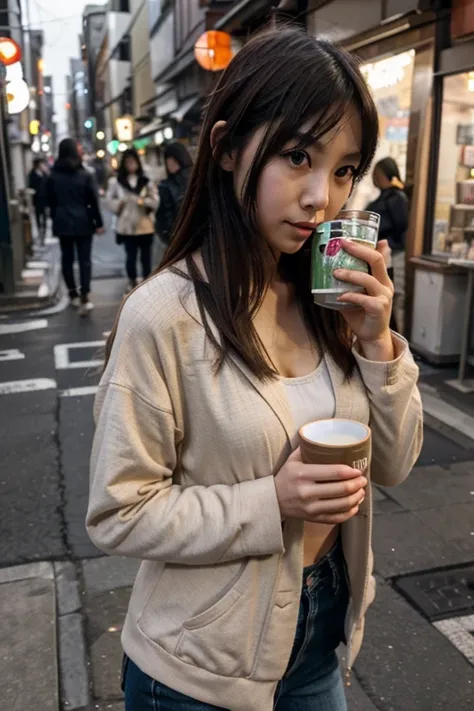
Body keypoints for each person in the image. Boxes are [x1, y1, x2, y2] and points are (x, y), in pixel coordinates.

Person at [87, 27, 423, 711]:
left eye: (343, 169)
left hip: (321, 640)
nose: (321, 199)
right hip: (194, 668)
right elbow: (119, 511)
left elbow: (390, 465)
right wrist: (272, 501)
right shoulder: (164, 316)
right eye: (298, 156)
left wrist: (379, 342)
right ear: (226, 149)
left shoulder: (331, 301)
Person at [45, 138, 104, 316]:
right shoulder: (85, 175)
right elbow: (93, 201)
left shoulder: (53, 176)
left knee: (67, 259)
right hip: (84, 222)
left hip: (62, 222)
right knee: (85, 259)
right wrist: (98, 223)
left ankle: (72, 293)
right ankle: (85, 294)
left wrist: (55, 217)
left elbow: (49, 201)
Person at [366, 157, 409, 333]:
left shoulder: (397, 197)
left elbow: (401, 225)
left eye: (377, 174)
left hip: (393, 253)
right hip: (379, 253)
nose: (374, 178)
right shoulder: (381, 198)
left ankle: (395, 338)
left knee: (394, 296)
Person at [106, 149, 159, 293]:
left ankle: (147, 281)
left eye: (133, 162)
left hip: (145, 224)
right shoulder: (117, 182)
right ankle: (132, 280)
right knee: (131, 256)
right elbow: (109, 201)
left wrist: (142, 201)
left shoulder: (146, 181)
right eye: (128, 162)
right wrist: (120, 204)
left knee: (146, 256)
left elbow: (155, 201)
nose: (131, 165)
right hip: (127, 226)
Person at [155, 141, 193, 245]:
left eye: (173, 161)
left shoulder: (196, 178)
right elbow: (162, 216)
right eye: (167, 162)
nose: (169, 165)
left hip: (187, 237)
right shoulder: (165, 185)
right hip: (177, 238)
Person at [28, 158, 48, 245]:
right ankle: (40, 232)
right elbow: (30, 186)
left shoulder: (44, 174)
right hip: (36, 199)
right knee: (37, 216)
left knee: (44, 217)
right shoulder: (32, 174)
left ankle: (43, 233)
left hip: (44, 199)